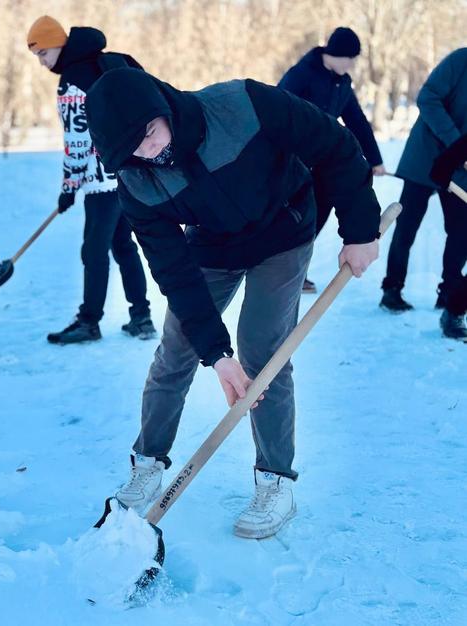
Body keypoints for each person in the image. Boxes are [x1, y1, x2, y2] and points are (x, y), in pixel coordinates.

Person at [86, 68, 381, 539]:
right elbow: (173, 271)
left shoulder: (242, 105)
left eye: (149, 132)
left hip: (283, 232)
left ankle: (275, 481)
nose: (149, 149)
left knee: (265, 351)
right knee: (178, 347)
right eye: (131, 148)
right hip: (213, 244)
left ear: (161, 106)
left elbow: (335, 145)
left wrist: (361, 230)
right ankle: (147, 463)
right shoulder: (136, 184)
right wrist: (216, 356)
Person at [25, 16, 154, 344]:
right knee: (123, 245)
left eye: (42, 53)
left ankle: (89, 322)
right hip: (125, 172)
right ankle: (141, 316)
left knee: (93, 250)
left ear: (57, 44)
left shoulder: (72, 81)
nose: (42, 62)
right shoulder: (100, 64)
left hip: (100, 181)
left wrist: (68, 188)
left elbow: (77, 141)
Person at [279, 27, 386, 293]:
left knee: (317, 217)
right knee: (294, 219)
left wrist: (374, 159)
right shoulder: (302, 74)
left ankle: (296, 272)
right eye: (349, 57)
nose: (352, 64)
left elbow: (357, 121)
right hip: (294, 163)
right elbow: (277, 110)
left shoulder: (342, 82)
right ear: (334, 53)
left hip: (322, 161)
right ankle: (280, 273)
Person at [380, 48, 467, 337]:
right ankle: (392, 289)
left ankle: (451, 295)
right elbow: (427, 98)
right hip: (426, 157)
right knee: (407, 225)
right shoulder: (460, 61)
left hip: (460, 169)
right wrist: (456, 144)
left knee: (460, 230)